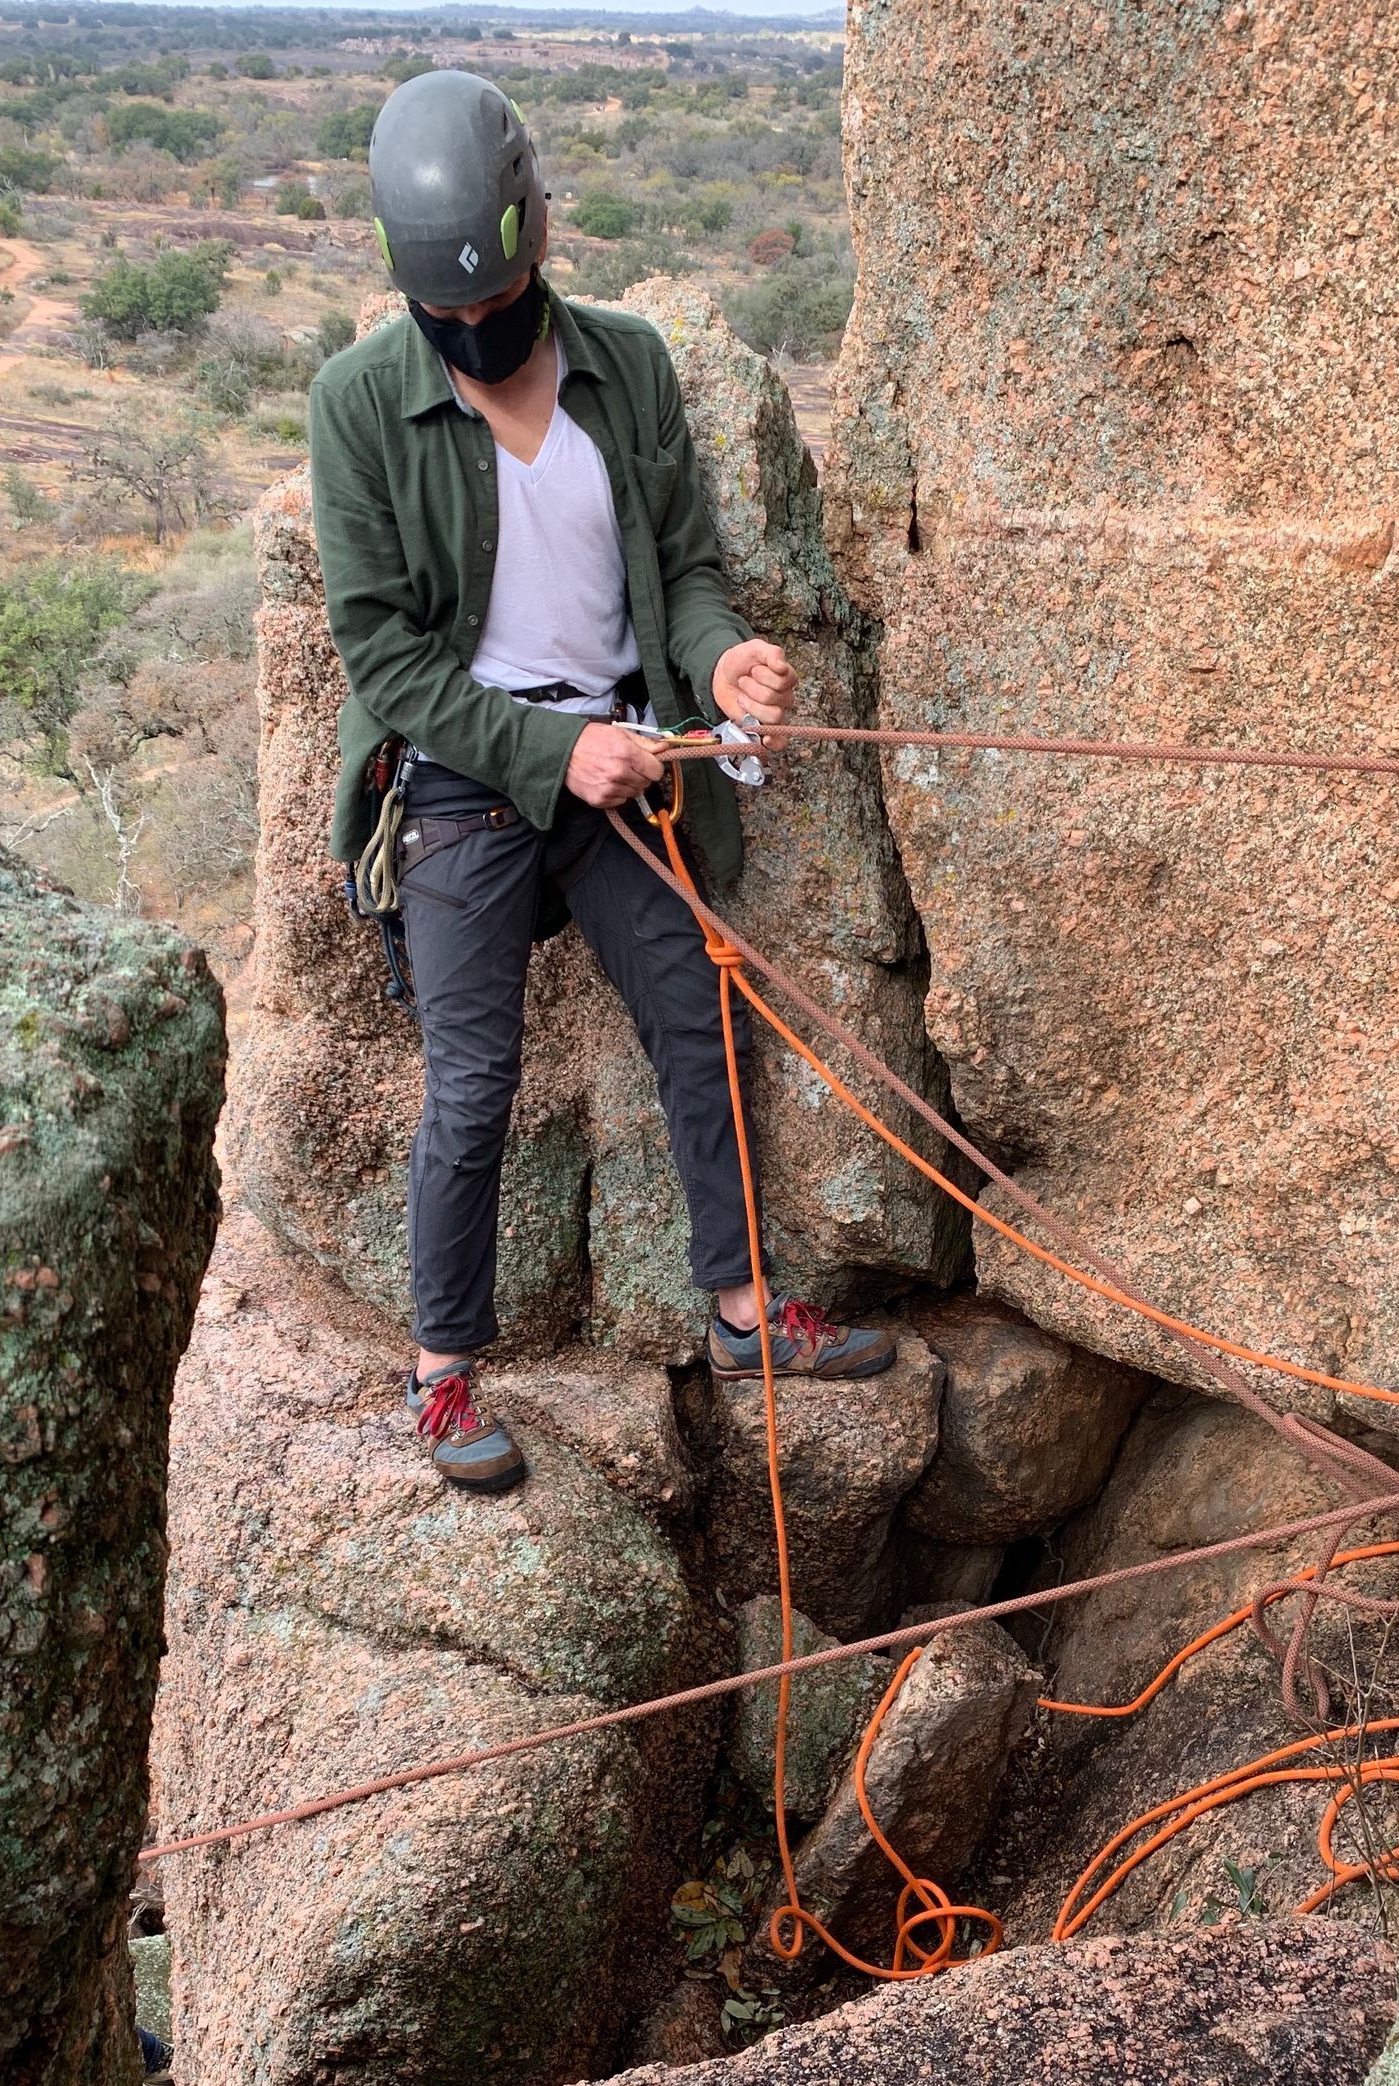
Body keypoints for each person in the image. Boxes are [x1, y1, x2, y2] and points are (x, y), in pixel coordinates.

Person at [308, 70, 895, 1491]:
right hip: (462, 777)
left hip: (621, 758)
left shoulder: (624, 366)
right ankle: (443, 1373)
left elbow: (682, 575)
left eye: (496, 299)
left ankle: (747, 1312)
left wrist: (724, 666)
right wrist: (544, 752)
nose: (476, 333)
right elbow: (383, 655)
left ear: (538, 240)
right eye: (446, 318)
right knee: (473, 1081)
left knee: (700, 1005)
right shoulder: (360, 405)